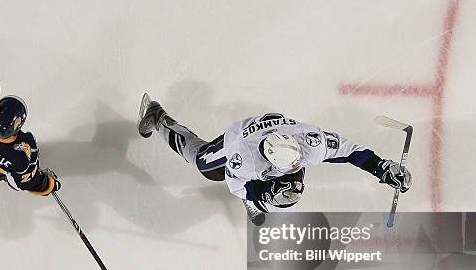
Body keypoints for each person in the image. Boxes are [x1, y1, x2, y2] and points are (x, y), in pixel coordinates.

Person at [137, 93, 411, 225]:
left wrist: (382, 168)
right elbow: (237, 185)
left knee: (287, 199)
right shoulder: (242, 158)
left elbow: (350, 151)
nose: (296, 172)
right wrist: (259, 194)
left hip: (276, 134)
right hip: (240, 135)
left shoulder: (309, 143)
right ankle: (158, 117)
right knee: (204, 165)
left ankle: (267, 201)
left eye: (296, 167)